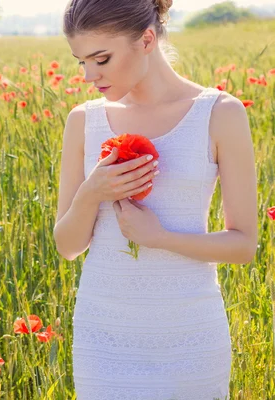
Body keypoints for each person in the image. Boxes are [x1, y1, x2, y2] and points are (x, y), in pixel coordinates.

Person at [53, 0, 258, 399]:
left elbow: (243, 245)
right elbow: (67, 246)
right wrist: (92, 193)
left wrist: (159, 237)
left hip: (189, 335)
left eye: (102, 59)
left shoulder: (220, 114)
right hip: (105, 336)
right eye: (81, 62)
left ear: (146, 39)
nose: (88, 76)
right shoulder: (83, 120)